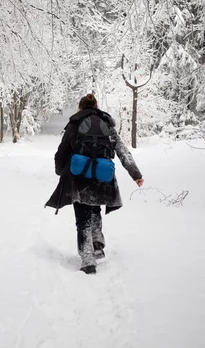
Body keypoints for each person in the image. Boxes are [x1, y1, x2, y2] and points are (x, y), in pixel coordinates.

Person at [45, 94, 144, 274]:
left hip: (79, 177)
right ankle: (97, 244)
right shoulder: (106, 124)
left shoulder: (74, 124)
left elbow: (61, 152)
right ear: (96, 106)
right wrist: (135, 174)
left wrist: (61, 171)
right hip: (101, 178)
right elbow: (122, 151)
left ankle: (88, 260)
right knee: (95, 208)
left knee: (82, 218)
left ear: (80, 107)